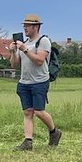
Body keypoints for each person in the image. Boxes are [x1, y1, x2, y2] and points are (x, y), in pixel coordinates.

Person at [9, 13, 62, 150]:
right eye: (24, 26)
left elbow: (39, 60)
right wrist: (13, 52)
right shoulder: (24, 43)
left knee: (39, 111)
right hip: (24, 82)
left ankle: (54, 132)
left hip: (39, 81)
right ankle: (28, 142)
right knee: (27, 112)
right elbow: (15, 65)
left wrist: (25, 50)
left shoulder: (43, 41)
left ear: (36, 27)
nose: (25, 28)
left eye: (27, 26)